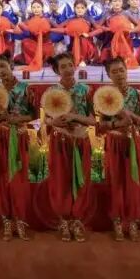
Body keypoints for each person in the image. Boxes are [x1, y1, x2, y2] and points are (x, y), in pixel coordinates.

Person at [45, 52, 97, 242]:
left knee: (81, 179)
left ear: (75, 66)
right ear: (57, 71)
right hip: (60, 141)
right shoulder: (51, 92)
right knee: (61, 180)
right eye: (63, 67)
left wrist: (75, 117)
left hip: (80, 140)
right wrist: (55, 122)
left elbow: (93, 120)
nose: (67, 69)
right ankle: (64, 220)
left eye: (70, 65)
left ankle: (77, 220)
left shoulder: (86, 90)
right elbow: (47, 119)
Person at [0, 54, 35, 241]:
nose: (1, 71)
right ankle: (7, 221)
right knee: (2, 178)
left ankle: (20, 220)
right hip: (1, 138)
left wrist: (19, 119)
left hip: (19, 136)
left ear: (11, 65)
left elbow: (33, 114)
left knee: (18, 180)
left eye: (3, 66)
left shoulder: (25, 88)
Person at [98, 56, 140, 241]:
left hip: (133, 142)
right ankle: (117, 221)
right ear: (109, 75)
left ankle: (132, 221)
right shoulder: (105, 97)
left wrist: (128, 115)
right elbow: (101, 125)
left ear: (127, 71)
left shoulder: (138, 94)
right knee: (116, 182)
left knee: (134, 182)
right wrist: (117, 123)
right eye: (114, 72)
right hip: (115, 143)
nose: (119, 74)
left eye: (121, 70)